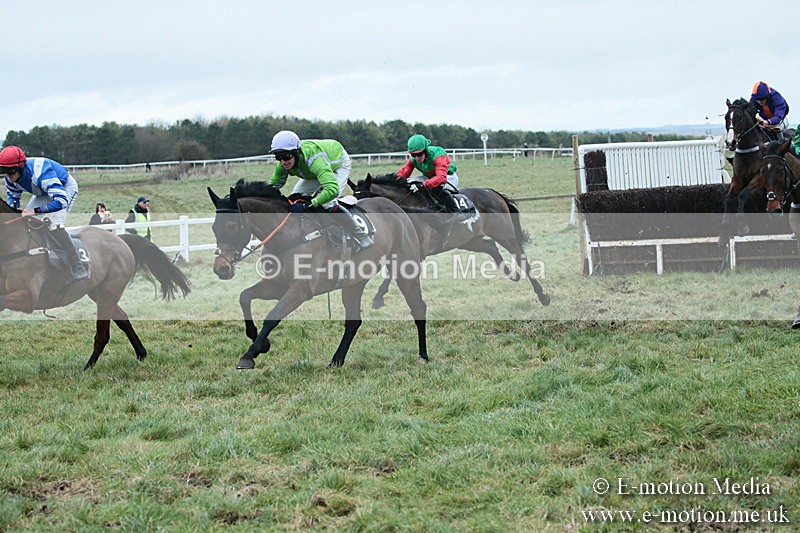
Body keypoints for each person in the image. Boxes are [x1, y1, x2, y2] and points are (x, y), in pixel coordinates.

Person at [268, 130, 373, 251]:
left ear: (296, 152)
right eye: (278, 157)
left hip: (338, 164)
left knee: (328, 202)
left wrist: (308, 204)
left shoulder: (314, 159)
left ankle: (360, 235)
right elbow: (274, 187)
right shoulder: (282, 164)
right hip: (314, 172)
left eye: (286, 156)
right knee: (294, 198)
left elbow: (332, 189)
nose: (283, 161)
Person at [1, 145, 89, 281]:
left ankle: (78, 266)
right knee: (25, 222)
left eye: (11, 171)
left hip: (64, 189)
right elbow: (13, 203)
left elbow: (61, 201)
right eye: (5, 171)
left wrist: (35, 211)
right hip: (42, 191)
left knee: (55, 225)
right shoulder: (10, 179)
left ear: (21, 167)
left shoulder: (40, 172)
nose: (9, 175)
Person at [396, 134, 467, 218]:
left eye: (419, 154)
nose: (417, 158)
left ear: (425, 150)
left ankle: (456, 212)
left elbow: (441, 178)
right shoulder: (413, 160)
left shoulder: (437, 154)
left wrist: (423, 185)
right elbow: (403, 174)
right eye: (413, 155)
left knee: (435, 188)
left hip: (448, 177)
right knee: (411, 182)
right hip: (431, 178)